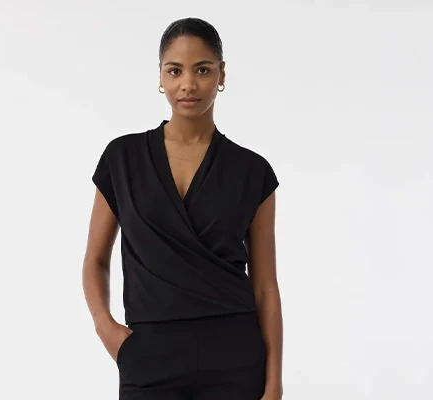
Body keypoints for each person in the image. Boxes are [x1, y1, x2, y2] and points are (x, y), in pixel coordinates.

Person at [81, 17, 284, 400]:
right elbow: (95, 259)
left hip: (234, 356)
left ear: (222, 74)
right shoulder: (121, 158)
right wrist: (105, 327)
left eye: (202, 70)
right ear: (160, 76)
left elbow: (265, 286)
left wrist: (274, 383)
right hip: (148, 357)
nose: (188, 84)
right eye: (175, 71)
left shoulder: (252, 171)